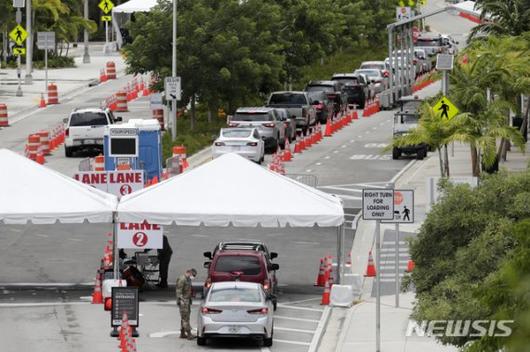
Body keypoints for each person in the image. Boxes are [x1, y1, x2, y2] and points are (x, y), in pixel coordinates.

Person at [176, 268, 197, 339]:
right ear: (190, 273)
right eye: (193, 275)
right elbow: (179, 291)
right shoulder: (182, 279)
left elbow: (188, 289)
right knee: (185, 318)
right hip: (183, 301)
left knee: (184, 317)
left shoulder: (188, 279)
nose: (193, 277)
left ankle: (182, 333)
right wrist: (182, 301)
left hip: (187, 300)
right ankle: (189, 334)